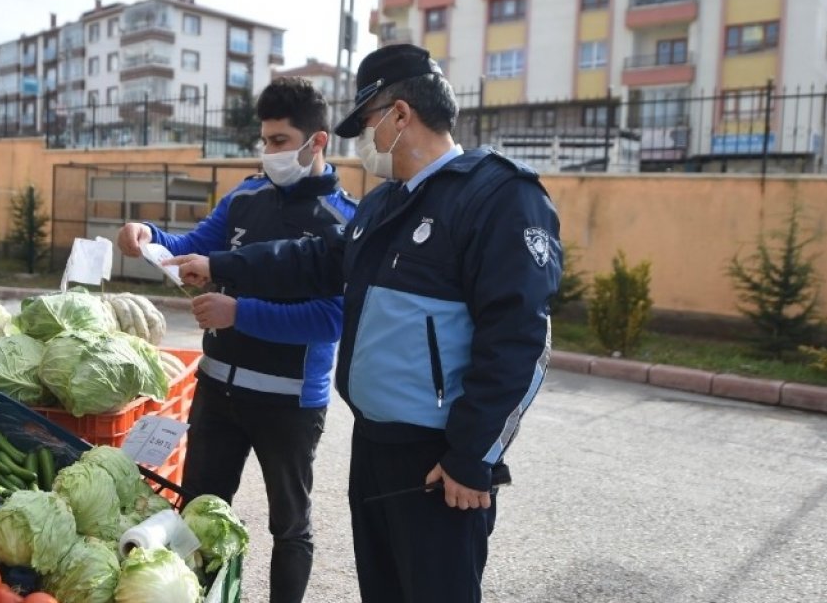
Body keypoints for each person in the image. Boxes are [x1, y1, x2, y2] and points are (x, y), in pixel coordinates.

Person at [165, 44, 563, 603]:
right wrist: (219, 265)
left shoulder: (496, 197)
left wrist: (473, 458)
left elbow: (521, 339)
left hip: (439, 458)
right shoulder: (387, 205)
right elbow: (315, 262)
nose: (364, 140)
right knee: (383, 588)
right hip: (374, 443)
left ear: (401, 115)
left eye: (368, 122)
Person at [116, 77, 356, 603]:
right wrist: (147, 236)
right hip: (217, 392)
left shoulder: (345, 220)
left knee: (289, 526)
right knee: (197, 515)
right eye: (263, 140)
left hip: (290, 403)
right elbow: (192, 247)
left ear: (318, 143)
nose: (267, 153)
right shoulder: (245, 197)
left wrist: (238, 312)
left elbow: (333, 318)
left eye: (279, 141)